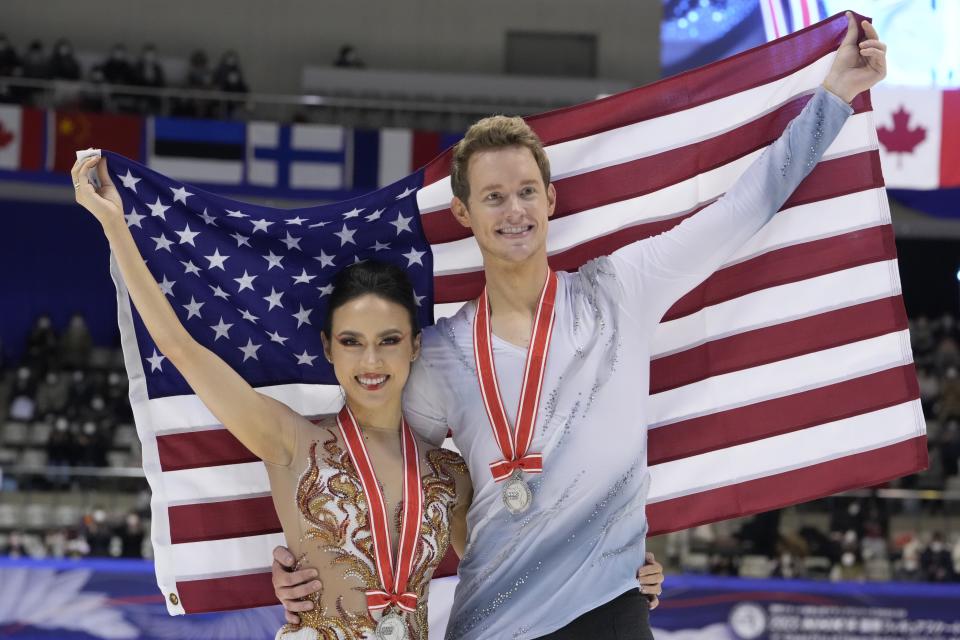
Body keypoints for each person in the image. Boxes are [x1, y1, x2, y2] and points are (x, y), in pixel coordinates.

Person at [272, 12, 887, 640]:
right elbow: (373, 473)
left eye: (526, 192)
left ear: (550, 199)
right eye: (493, 196)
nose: (514, 211)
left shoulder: (619, 291)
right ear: (463, 211)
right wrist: (303, 561)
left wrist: (834, 96)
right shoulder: (442, 356)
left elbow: (738, 212)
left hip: (611, 612)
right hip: (492, 623)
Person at [71, 156, 473, 639]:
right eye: (352, 341)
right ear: (328, 347)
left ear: (415, 345)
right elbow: (179, 348)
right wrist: (116, 224)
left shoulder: (448, 474)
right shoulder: (290, 440)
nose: (371, 361)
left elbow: (498, 572)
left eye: (388, 340)